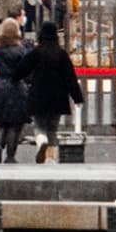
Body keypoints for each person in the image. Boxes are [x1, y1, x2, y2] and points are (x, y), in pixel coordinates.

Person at [25, 21, 82, 162]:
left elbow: (23, 72)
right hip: (57, 97)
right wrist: (77, 97)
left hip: (38, 95)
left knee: (39, 126)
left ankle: (41, 141)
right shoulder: (61, 54)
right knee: (52, 129)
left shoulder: (35, 53)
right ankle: (50, 157)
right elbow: (70, 77)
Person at [0, 17, 35, 162]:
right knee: (15, 124)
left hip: (0, 85)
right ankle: (10, 155)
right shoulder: (21, 50)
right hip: (17, 86)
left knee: (2, 123)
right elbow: (27, 69)